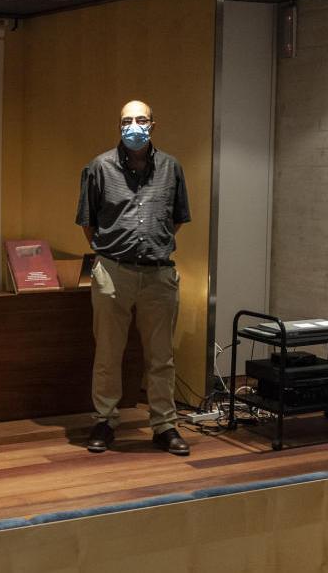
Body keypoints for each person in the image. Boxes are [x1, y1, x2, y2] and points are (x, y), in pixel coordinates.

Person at [75, 100, 192, 456]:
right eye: (127, 120)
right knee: (108, 353)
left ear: (154, 124)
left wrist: (152, 245)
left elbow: (177, 219)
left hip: (158, 274)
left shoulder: (172, 168)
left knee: (161, 356)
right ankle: (105, 420)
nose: (134, 126)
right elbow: (88, 222)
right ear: (118, 125)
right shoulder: (99, 167)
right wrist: (109, 253)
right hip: (113, 271)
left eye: (141, 120)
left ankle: (164, 425)